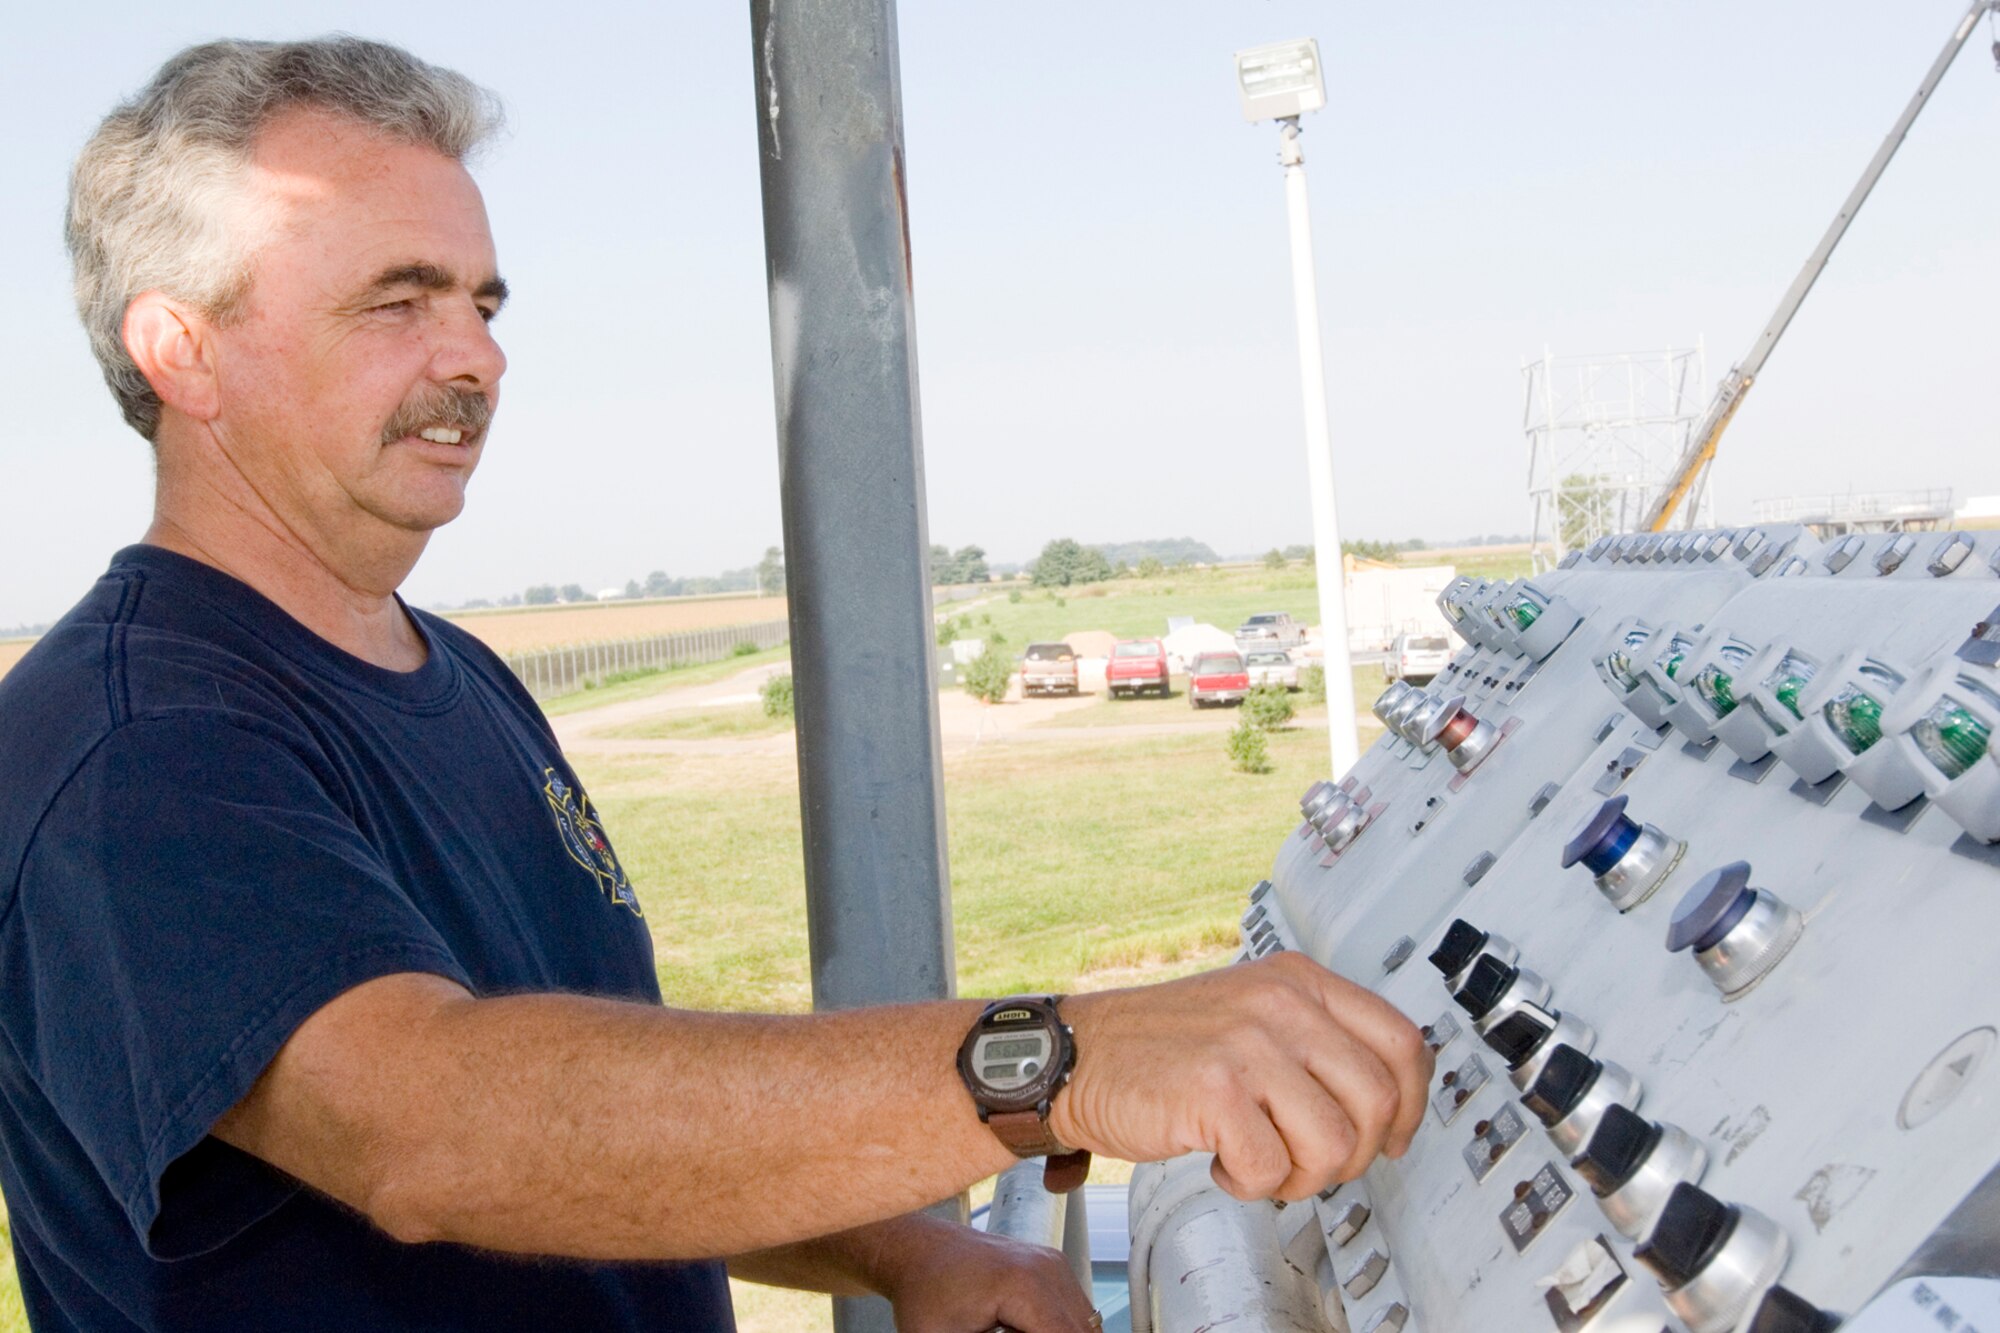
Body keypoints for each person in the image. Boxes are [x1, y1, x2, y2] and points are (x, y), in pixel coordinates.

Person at [0, 36, 1432, 1332]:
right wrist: (1045, 1061)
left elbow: (599, 1120)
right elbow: (438, 1128)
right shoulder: (136, 743)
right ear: (180, 348)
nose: (478, 358)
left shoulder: (460, 675)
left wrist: (904, 1253)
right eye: (399, 300)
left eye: (484, 302)